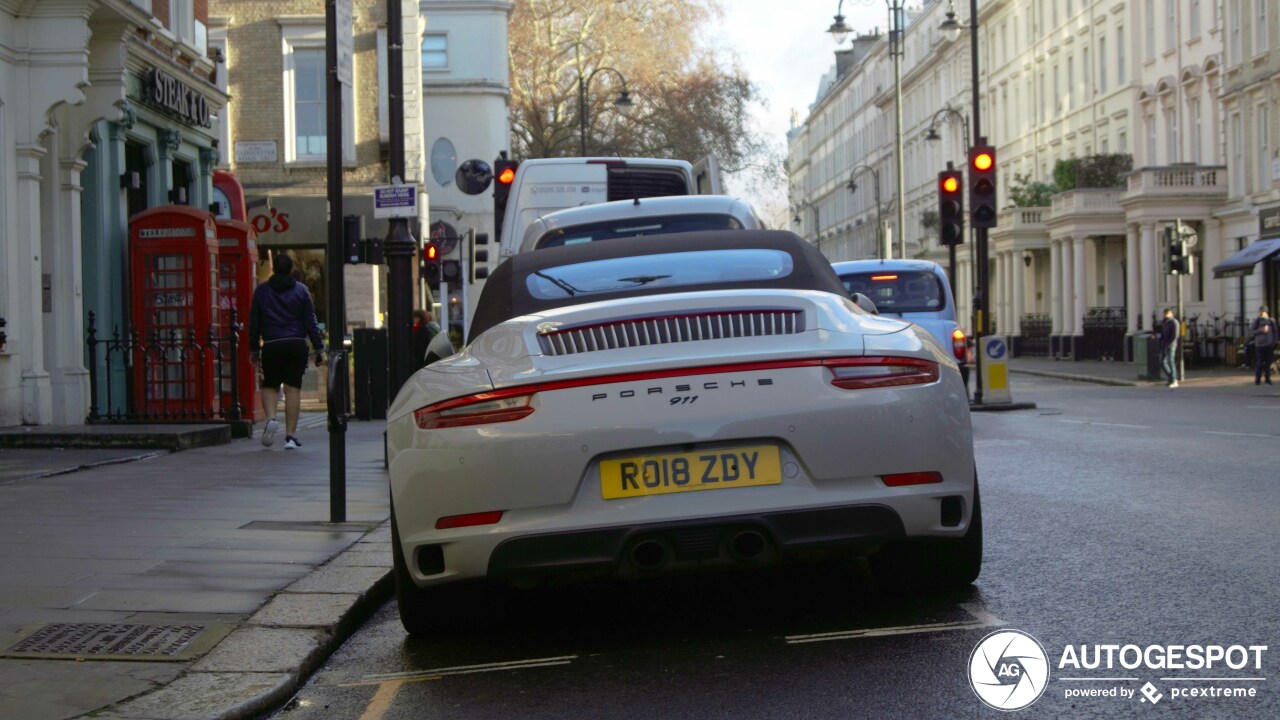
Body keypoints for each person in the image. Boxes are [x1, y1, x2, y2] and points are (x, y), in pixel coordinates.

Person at [248, 254, 325, 449]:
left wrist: (254, 349)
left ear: (274, 270)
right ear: (291, 269)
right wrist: (319, 347)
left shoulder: (262, 291)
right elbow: (310, 321)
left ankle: (272, 418)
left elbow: (254, 323)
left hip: (272, 344)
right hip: (295, 344)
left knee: (270, 385)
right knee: (292, 389)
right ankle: (290, 437)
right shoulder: (302, 290)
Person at [1249, 305, 1277, 386]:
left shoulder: (1271, 321)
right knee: (1259, 363)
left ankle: (1267, 379)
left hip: (1269, 345)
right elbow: (1251, 332)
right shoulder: (1257, 321)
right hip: (1259, 345)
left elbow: (1275, 332)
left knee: (1268, 363)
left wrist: (1274, 342)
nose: (1261, 314)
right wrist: (1261, 330)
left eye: (1263, 312)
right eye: (1260, 312)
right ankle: (1257, 380)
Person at [1157, 308, 1180, 389]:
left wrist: (1169, 343)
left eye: (1168, 313)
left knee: (1171, 361)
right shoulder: (1165, 322)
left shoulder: (1174, 322)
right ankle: (1171, 377)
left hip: (1171, 345)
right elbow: (1162, 333)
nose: (1166, 315)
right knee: (1162, 362)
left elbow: (1175, 335)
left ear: (1171, 313)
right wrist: (1159, 338)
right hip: (1164, 344)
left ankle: (1174, 380)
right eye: (1165, 313)